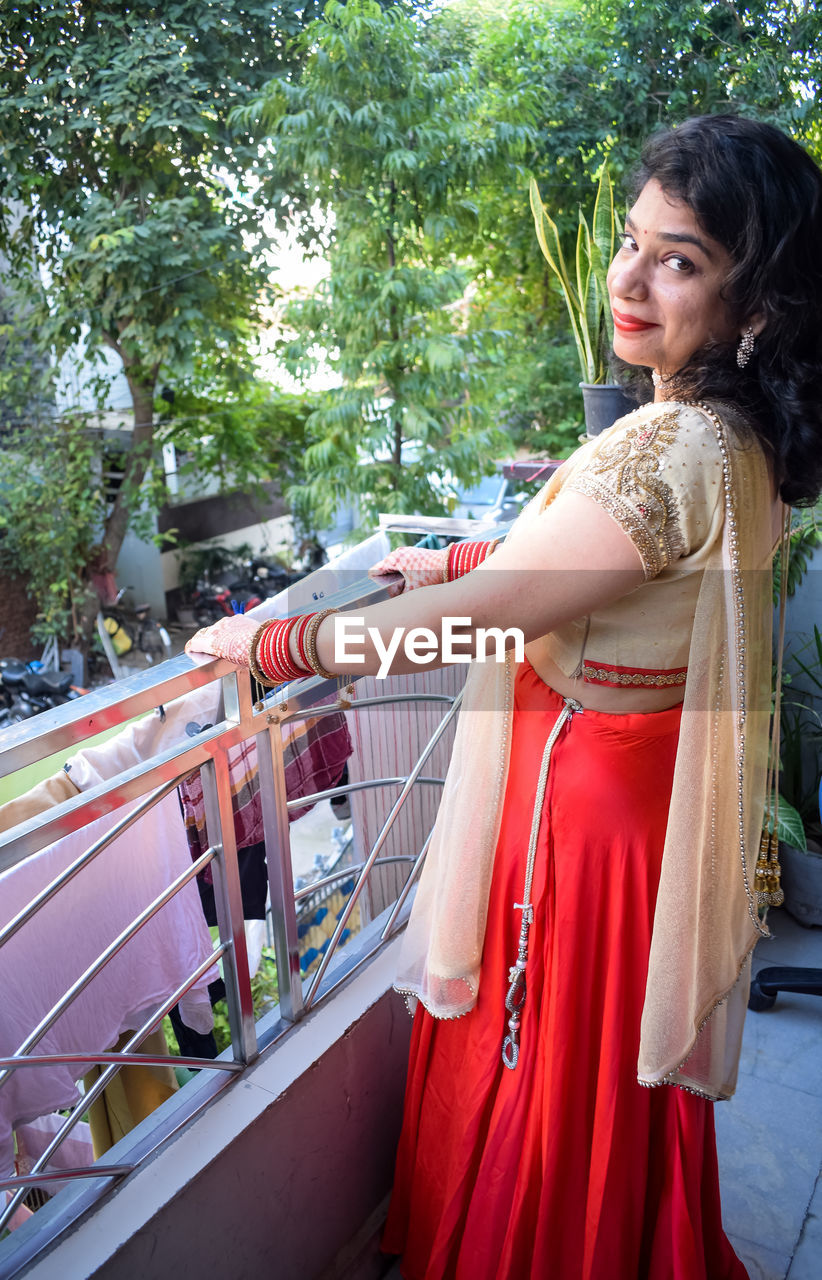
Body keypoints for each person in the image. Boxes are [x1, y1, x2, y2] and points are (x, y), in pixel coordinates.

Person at [186, 115, 822, 1279]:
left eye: (679, 260)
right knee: (596, 1085)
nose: (629, 278)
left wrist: (277, 642)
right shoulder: (745, 439)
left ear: (758, 305)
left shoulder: (670, 445)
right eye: (633, 242)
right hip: (628, 804)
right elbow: (611, 579)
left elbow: (497, 617)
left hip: (575, 826)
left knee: (544, 1069)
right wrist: (456, 560)